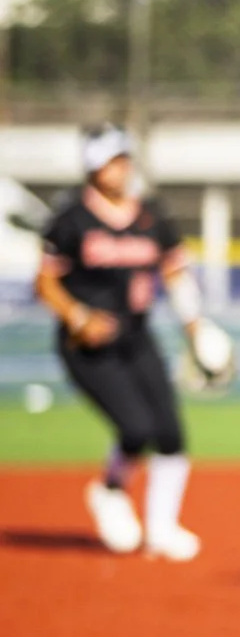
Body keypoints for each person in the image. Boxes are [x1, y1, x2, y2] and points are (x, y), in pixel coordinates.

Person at [34, 125, 228, 560]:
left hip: (138, 337)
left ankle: (162, 529)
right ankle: (110, 489)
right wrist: (78, 316)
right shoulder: (72, 220)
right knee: (136, 428)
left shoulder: (151, 216)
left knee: (171, 434)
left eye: (125, 159)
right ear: (93, 168)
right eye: (111, 161)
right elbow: (45, 283)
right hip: (87, 346)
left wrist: (195, 327)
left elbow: (175, 273)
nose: (121, 168)